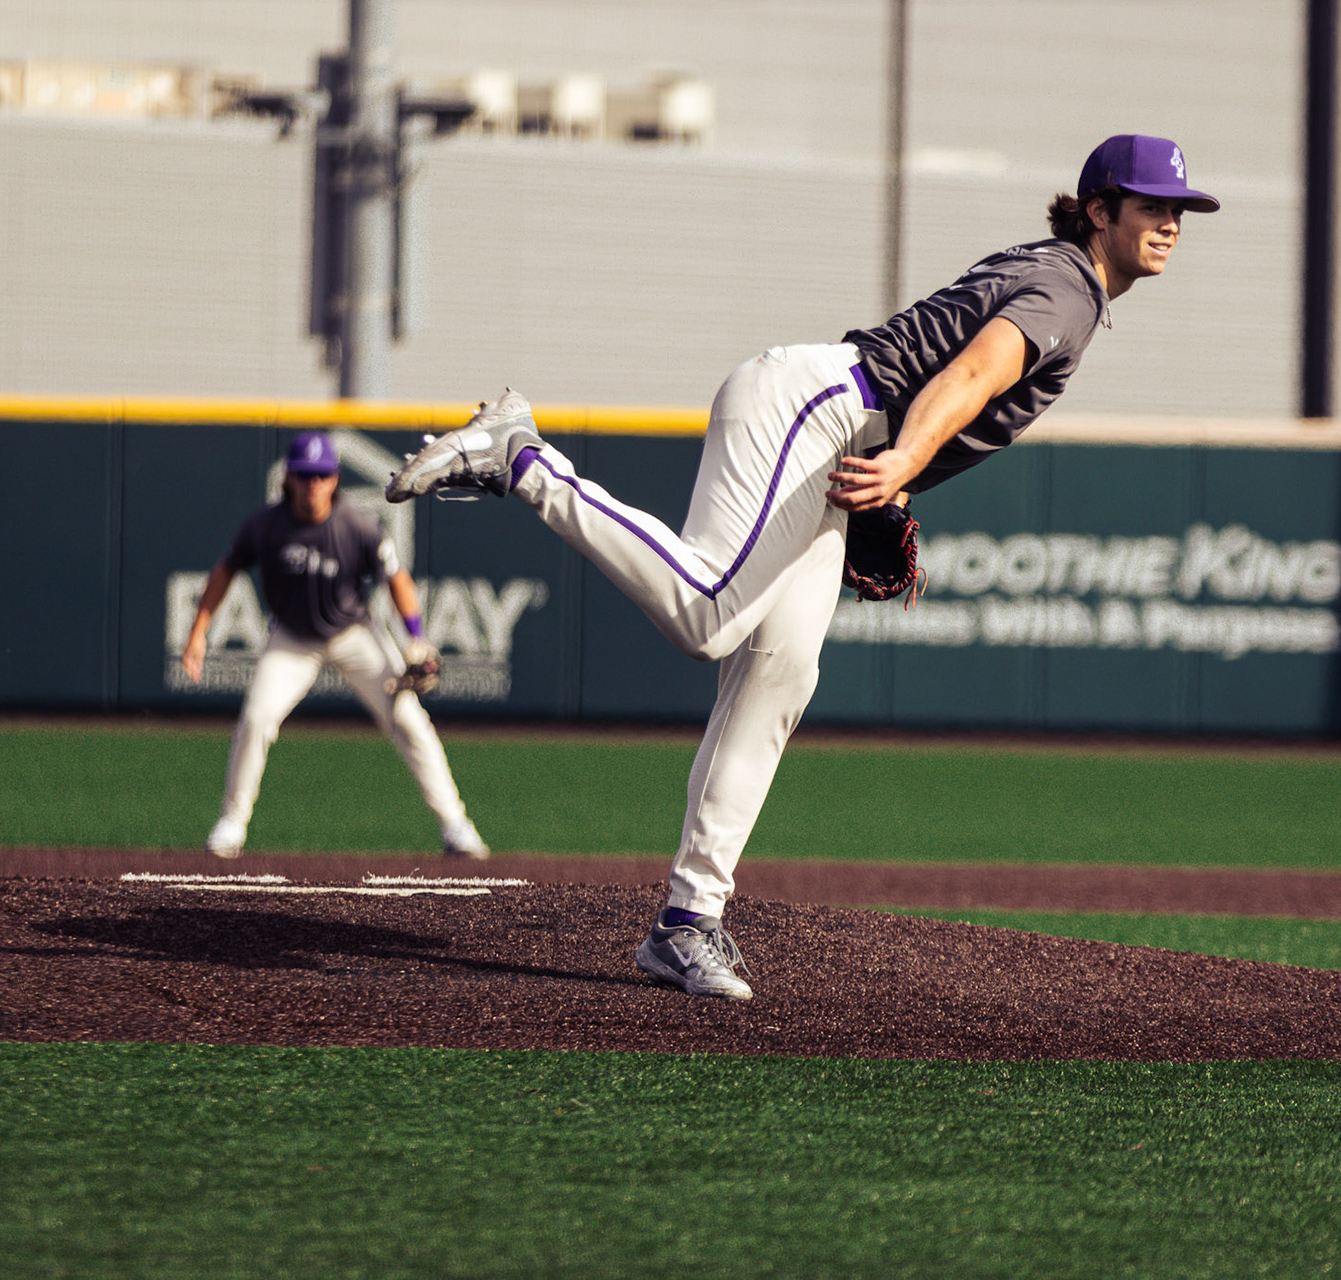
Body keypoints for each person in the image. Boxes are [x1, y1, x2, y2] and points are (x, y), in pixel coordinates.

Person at [386, 134, 1218, 997]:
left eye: (1180, 210)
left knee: (780, 674)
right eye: (1152, 206)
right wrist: (904, 462)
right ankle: (522, 459)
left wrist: (894, 476)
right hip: (822, 409)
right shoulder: (1070, 287)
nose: (1170, 223)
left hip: (839, 436)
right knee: (707, 614)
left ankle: (686, 922)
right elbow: (977, 371)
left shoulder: (1060, 275)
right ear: (1099, 210)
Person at [182, 429, 489, 860]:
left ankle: (456, 825)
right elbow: (225, 570)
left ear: (335, 479)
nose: (313, 484)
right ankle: (232, 823)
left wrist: (416, 636)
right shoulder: (265, 526)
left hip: (353, 633)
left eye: (322, 475)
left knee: (409, 721)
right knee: (256, 718)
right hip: (292, 639)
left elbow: (396, 578)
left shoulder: (356, 525)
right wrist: (198, 631)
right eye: (305, 475)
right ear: (288, 478)